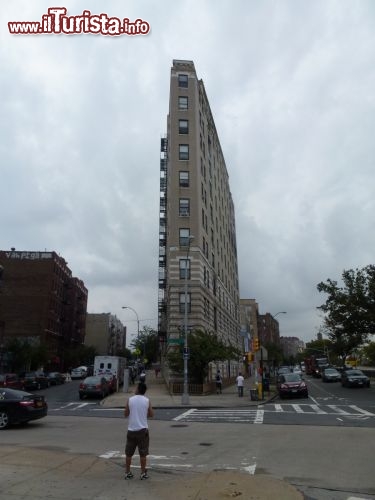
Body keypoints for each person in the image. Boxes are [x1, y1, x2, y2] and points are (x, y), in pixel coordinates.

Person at [124, 382, 154, 480]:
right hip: (142, 431)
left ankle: (128, 472)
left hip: (131, 430)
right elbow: (151, 414)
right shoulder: (147, 400)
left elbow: (125, 413)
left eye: (136, 388)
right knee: (143, 453)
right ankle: (142, 473)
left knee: (129, 453)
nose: (135, 389)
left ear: (138, 389)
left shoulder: (130, 400)